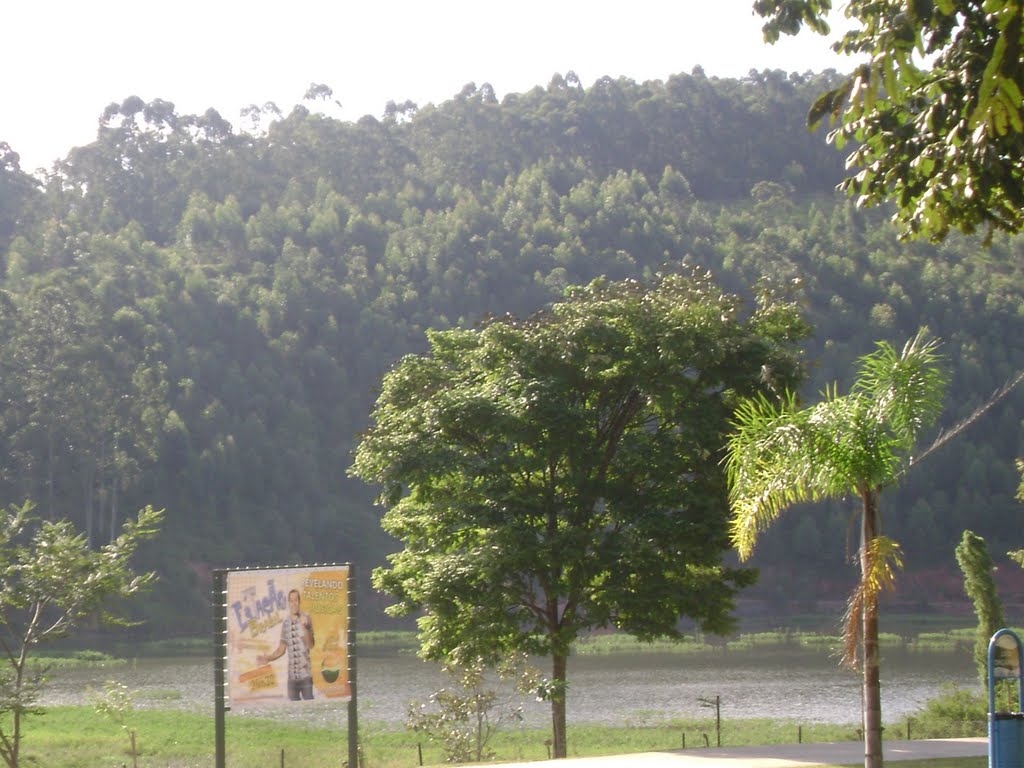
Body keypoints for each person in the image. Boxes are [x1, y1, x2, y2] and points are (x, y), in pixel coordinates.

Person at [258, 589, 315, 700]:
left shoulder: (306, 619)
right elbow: (281, 649)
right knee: (293, 712)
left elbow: (311, 645)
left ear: (299, 602)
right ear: (288, 603)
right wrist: (268, 658)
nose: (294, 603)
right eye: (291, 601)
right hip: (292, 679)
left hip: (306, 677)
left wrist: (306, 628)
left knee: (309, 709)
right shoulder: (286, 624)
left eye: (296, 600)